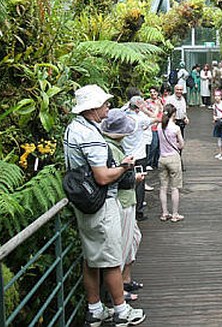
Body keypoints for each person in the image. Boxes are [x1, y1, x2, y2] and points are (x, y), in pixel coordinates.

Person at [63, 84, 146, 326]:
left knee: (92, 258)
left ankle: (95, 308)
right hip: (100, 203)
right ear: (92, 108)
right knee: (110, 260)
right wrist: (124, 167)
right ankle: (121, 310)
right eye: (104, 104)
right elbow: (101, 176)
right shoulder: (91, 137)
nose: (108, 108)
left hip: (84, 202)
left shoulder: (74, 129)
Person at [100, 109, 146, 302]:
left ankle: (125, 280)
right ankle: (117, 293)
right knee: (122, 246)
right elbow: (116, 178)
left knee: (134, 239)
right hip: (123, 201)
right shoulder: (110, 148)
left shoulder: (112, 146)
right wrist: (133, 175)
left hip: (127, 200)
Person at [157, 103, 185, 222]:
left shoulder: (159, 126)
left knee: (163, 187)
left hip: (162, 158)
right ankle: (175, 214)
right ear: (174, 114)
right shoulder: (176, 128)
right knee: (174, 188)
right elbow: (181, 145)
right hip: (173, 158)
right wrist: (177, 145)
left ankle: (164, 213)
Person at [145, 86, 163, 171]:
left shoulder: (161, 101)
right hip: (151, 125)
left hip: (160, 125)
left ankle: (156, 162)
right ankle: (149, 162)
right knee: (153, 144)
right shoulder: (147, 102)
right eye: (151, 92)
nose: (153, 94)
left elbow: (163, 112)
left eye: (154, 92)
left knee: (159, 145)